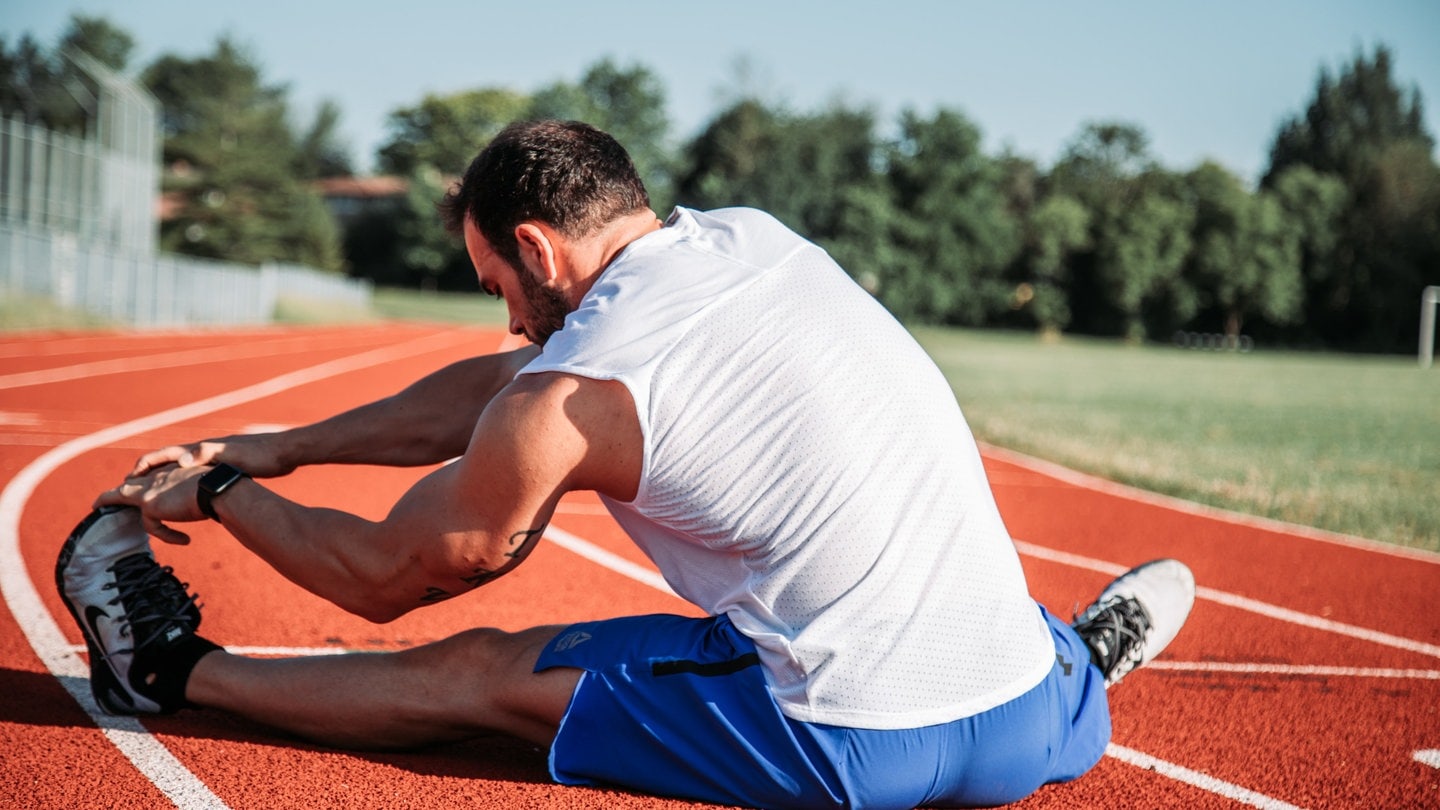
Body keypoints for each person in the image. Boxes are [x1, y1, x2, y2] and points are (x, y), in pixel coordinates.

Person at [58, 119, 1195, 809]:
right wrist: (284, 447)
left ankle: (166, 672)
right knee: (941, 572)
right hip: (1023, 727)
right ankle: (1081, 661)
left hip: (849, 741)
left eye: (498, 286)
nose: (506, 321)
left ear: (540, 250)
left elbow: (386, 575)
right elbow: (501, 388)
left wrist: (220, 489)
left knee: (479, 674)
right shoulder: (752, 239)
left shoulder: (567, 394)